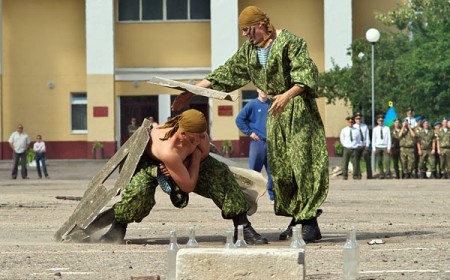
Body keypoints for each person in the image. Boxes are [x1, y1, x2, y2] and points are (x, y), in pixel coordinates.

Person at [172, 6, 328, 243]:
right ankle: (298, 219)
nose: (245, 34)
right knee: (282, 169)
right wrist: (190, 92)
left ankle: (310, 222)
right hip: (276, 115)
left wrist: (287, 95)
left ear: (262, 24)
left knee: (303, 166)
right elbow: (225, 73)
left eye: (248, 29)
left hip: (297, 110)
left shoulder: (290, 42)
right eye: (243, 31)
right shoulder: (250, 51)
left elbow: (306, 75)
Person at [87, 109, 268, 245]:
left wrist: (192, 160)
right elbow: (188, 185)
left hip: (184, 162)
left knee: (219, 173)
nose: (199, 141)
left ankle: (242, 227)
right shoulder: (168, 150)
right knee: (138, 195)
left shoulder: (197, 132)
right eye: (194, 139)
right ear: (182, 134)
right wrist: (190, 160)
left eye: (202, 136)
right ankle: (118, 226)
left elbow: (204, 152)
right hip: (148, 164)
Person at [235, 88, 274, 202]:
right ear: (257, 90)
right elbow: (239, 120)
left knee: (273, 172)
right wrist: (250, 133)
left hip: (271, 143)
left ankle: (273, 197)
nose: (264, 91)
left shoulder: (272, 104)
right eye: (261, 89)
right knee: (254, 172)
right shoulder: (252, 104)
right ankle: (250, 197)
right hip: (257, 143)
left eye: (265, 88)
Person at [372, 115, 391, 179]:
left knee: (387, 161)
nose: (381, 122)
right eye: (379, 121)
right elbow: (373, 139)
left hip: (385, 146)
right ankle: (381, 173)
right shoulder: (375, 129)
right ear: (377, 121)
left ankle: (388, 173)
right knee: (379, 161)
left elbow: (389, 138)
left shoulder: (387, 128)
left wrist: (389, 147)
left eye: (382, 121)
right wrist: (374, 148)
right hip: (378, 146)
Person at [353, 112, 372, 179]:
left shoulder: (365, 126)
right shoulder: (353, 127)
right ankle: (358, 175)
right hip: (357, 146)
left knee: (367, 159)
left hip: (364, 146)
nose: (358, 120)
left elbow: (367, 136)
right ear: (355, 119)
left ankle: (369, 175)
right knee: (356, 160)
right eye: (357, 119)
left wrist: (367, 145)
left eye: (359, 118)